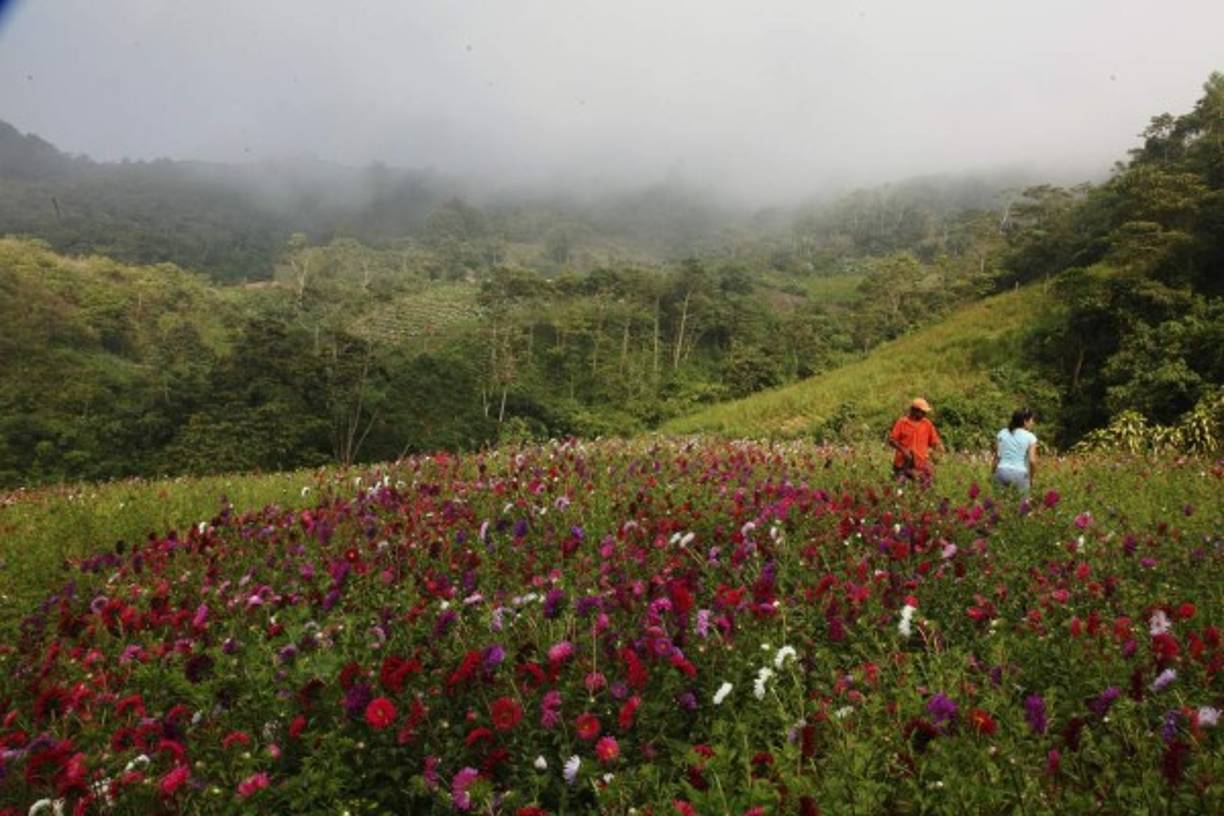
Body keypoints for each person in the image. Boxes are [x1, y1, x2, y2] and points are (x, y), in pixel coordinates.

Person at [887, 397, 943, 481]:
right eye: (922, 412)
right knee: (899, 489)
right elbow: (891, 440)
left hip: (920, 464)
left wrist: (939, 451)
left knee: (923, 488)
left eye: (925, 412)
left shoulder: (927, 424)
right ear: (914, 410)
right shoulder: (902, 422)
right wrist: (903, 451)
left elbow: (935, 442)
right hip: (902, 463)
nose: (924, 414)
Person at [992, 408, 1038, 492]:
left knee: (999, 503)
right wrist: (1031, 478)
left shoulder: (1002, 433)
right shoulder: (1030, 437)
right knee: (1022, 504)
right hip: (1020, 474)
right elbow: (1032, 461)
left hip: (1001, 471)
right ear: (1025, 421)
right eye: (1032, 420)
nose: (1032, 423)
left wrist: (993, 474)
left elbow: (997, 457)